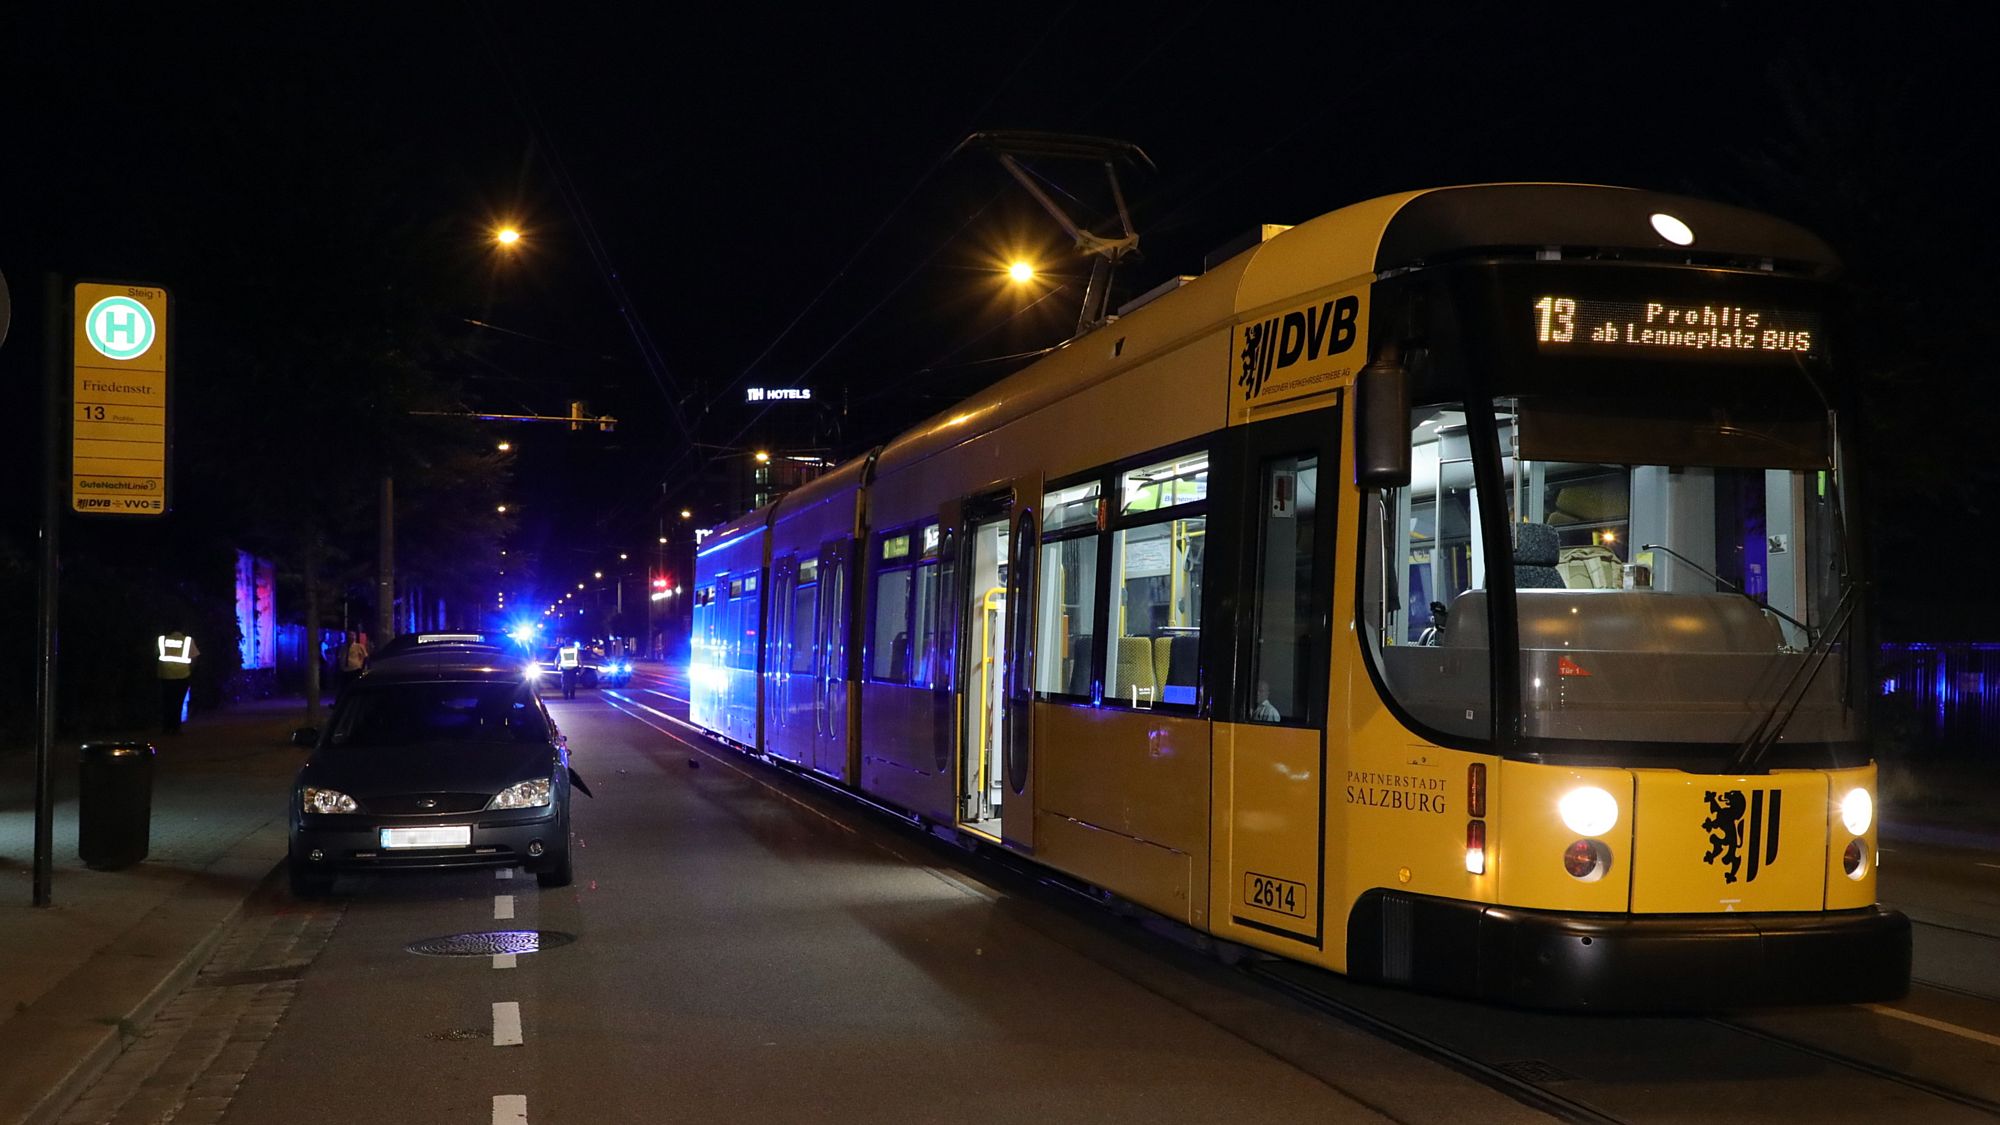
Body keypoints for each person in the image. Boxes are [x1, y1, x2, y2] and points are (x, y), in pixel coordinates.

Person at [157, 627, 199, 734]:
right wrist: (190, 671)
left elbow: (156, 655)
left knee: (166, 702)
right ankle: (176, 728)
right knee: (178, 702)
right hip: (182, 675)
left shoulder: (162, 639)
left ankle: (166, 727)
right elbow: (194, 658)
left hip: (165, 675)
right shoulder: (188, 640)